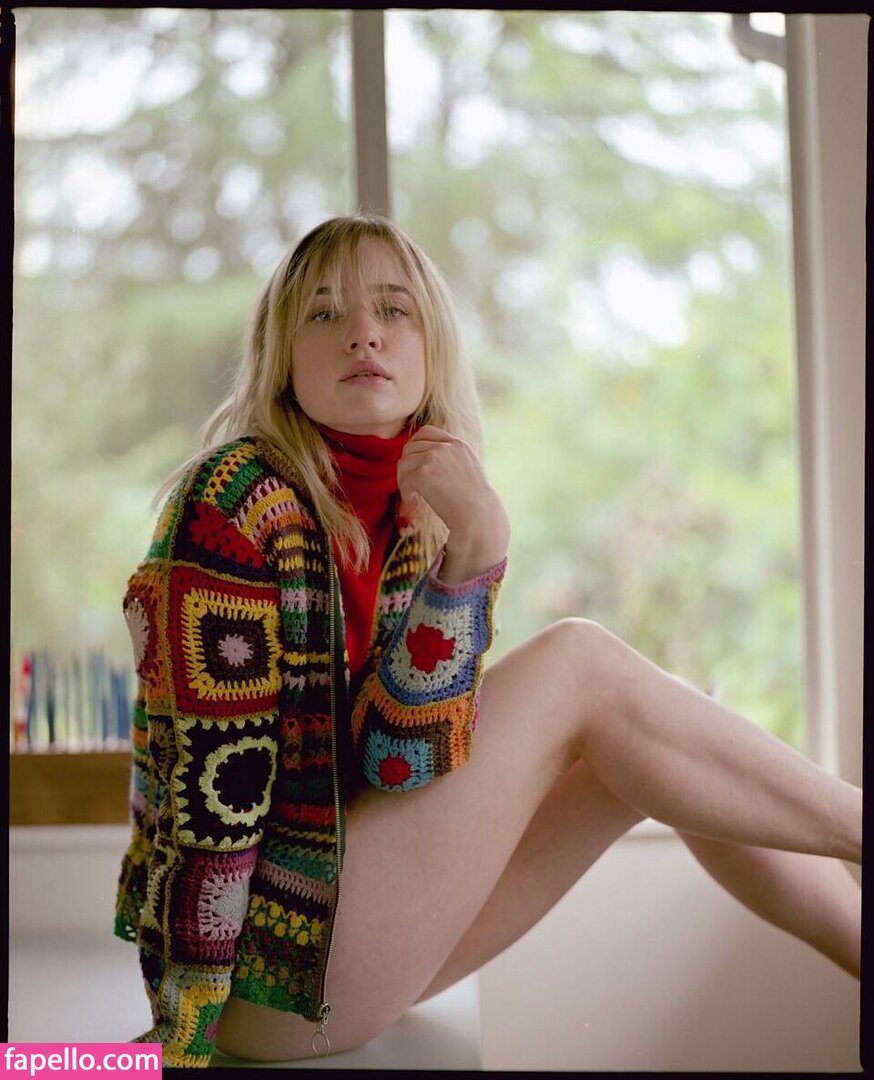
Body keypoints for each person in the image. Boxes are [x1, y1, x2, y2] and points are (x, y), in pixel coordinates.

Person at [114, 213, 862, 1069]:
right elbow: (213, 797)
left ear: (432, 348)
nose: (363, 332)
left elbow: (400, 765)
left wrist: (464, 559)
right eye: (323, 312)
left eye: (393, 309)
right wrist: (179, 1044)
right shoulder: (231, 504)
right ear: (282, 360)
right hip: (262, 987)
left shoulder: (411, 511)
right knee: (579, 664)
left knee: (658, 740)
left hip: (346, 947)